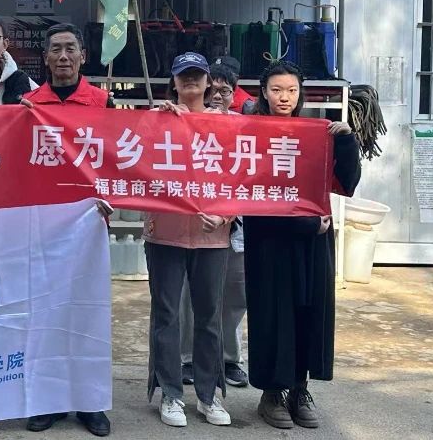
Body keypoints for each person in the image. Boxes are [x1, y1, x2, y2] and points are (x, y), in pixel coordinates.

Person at [245, 61, 360, 431]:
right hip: (270, 240)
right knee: (273, 314)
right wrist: (304, 222)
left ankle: (300, 389)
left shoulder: (317, 134)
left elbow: (346, 182)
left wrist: (346, 140)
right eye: (277, 90)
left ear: (301, 94)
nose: (284, 97)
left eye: (292, 90)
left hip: (313, 238)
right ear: (264, 93)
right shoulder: (251, 133)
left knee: (308, 311)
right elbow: (251, 190)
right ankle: (271, 393)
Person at [18, 23, 112, 437]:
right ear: (45, 58)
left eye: (70, 49)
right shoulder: (27, 105)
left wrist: (110, 198)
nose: (62, 56)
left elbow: (119, 155)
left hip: (88, 220)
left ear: (83, 56)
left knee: (88, 311)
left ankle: (90, 401)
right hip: (42, 221)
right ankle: (47, 400)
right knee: (43, 313)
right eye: (55, 49)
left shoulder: (102, 102)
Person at [144, 52, 233, 428]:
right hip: (165, 233)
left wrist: (227, 214)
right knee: (166, 315)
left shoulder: (228, 125)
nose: (191, 80)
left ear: (209, 81)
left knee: (209, 317)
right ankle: (170, 392)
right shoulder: (157, 120)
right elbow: (132, 164)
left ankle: (209, 395)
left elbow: (244, 177)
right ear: (174, 82)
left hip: (213, 236)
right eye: (184, 75)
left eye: (198, 74)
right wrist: (156, 121)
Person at [179, 58, 249, 390]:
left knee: (234, 296)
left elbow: (248, 177)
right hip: (195, 225)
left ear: (235, 94)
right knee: (191, 298)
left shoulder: (242, 128)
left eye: (226, 90)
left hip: (233, 228)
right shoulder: (185, 122)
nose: (219, 95)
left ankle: (229, 359)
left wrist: (228, 212)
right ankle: (188, 358)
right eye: (215, 89)